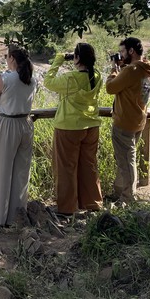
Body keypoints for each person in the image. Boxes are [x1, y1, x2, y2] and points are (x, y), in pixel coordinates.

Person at [0, 44, 37, 231]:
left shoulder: (5, 78)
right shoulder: (32, 80)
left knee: (0, 171)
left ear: (12, 58)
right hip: (26, 124)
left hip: (7, 124)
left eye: (7, 56)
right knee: (21, 172)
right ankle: (16, 216)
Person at [44, 43, 104, 216]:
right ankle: (93, 203)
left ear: (77, 58)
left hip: (69, 127)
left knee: (66, 168)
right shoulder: (97, 75)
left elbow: (48, 81)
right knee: (89, 165)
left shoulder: (71, 78)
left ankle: (67, 208)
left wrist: (58, 60)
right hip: (91, 125)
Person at [106, 37, 150, 204]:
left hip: (125, 121)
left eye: (122, 52)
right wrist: (122, 68)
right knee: (128, 158)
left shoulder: (131, 70)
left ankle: (127, 198)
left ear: (131, 51)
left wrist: (114, 70)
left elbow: (110, 88)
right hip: (138, 119)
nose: (121, 55)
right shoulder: (146, 68)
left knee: (126, 161)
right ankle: (121, 192)